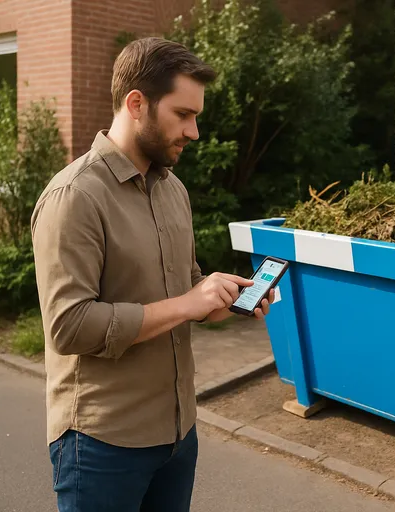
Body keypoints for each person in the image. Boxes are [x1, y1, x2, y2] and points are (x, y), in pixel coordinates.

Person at [30, 37, 273, 512]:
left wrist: (220, 302)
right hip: (102, 443)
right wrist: (190, 303)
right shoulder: (74, 197)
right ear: (136, 104)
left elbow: (188, 292)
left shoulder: (172, 189)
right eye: (183, 114)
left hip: (178, 435)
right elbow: (69, 325)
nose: (195, 131)